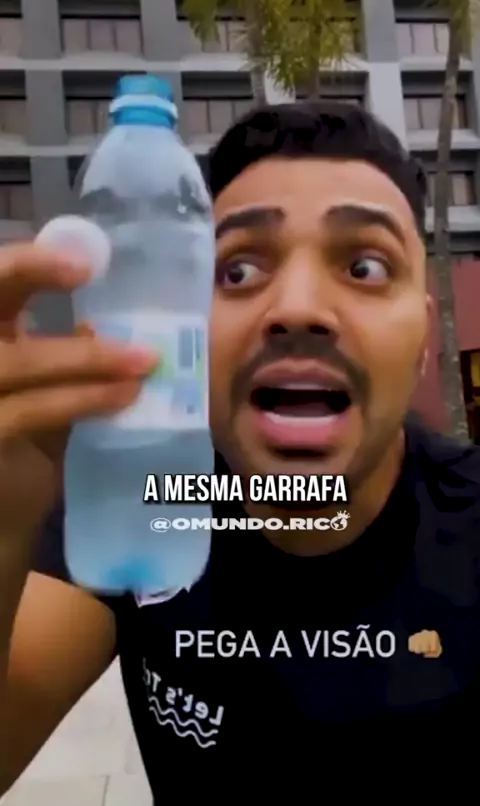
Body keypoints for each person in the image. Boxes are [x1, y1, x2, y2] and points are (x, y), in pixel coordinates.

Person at [0, 100, 479, 799]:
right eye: (237, 271)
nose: (297, 308)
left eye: (366, 265)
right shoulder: (137, 504)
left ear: (424, 339)